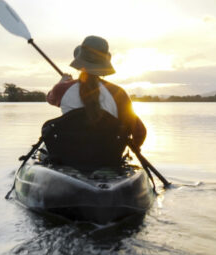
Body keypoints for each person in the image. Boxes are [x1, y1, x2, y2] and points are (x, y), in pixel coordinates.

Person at [41, 35, 146, 170]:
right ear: (104, 65)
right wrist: (132, 148)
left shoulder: (62, 89)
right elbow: (140, 132)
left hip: (68, 158)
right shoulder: (118, 93)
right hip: (107, 160)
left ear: (79, 62)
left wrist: (62, 82)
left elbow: (50, 98)